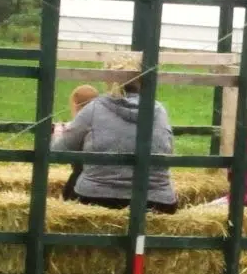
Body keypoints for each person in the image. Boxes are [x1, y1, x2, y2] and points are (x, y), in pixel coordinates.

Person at [51, 59, 177, 211]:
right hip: (158, 203)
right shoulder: (159, 110)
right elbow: (168, 150)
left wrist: (58, 132)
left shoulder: (94, 108)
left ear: (108, 80)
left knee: (76, 177)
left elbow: (58, 151)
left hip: (95, 199)